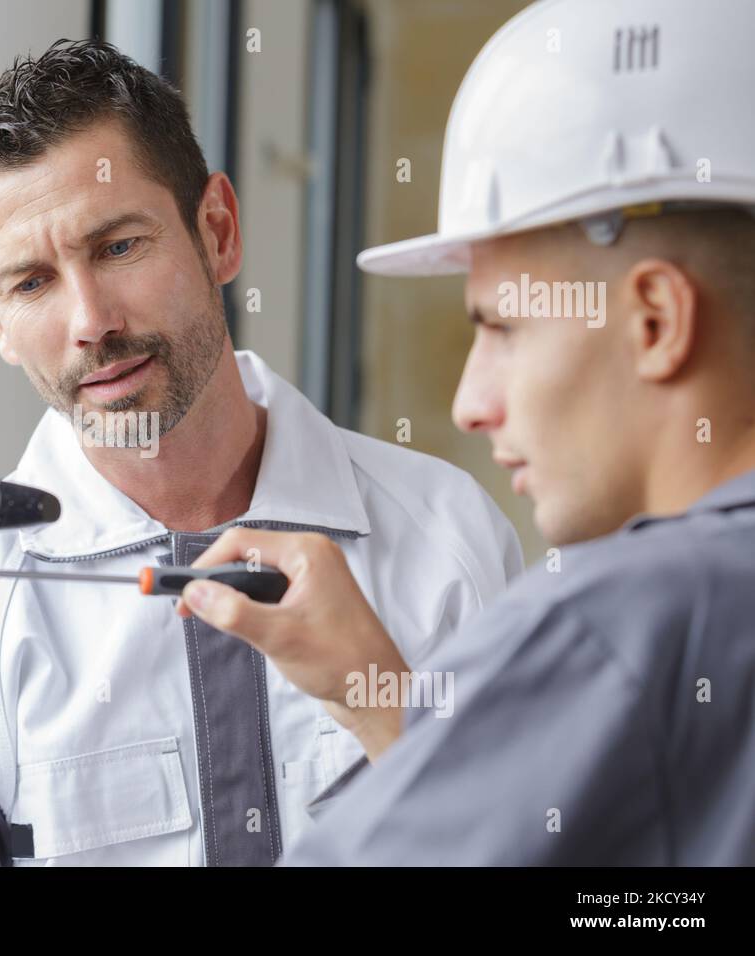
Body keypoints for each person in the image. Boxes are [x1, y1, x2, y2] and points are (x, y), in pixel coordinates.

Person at [0, 37, 523, 866]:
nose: (91, 322)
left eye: (117, 247)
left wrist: (393, 708)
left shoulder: (446, 539)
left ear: (217, 232)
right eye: (32, 283)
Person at [176, 0, 755, 864]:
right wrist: (386, 705)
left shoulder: (609, 625)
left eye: (503, 327)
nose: (469, 403)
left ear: (654, 320)